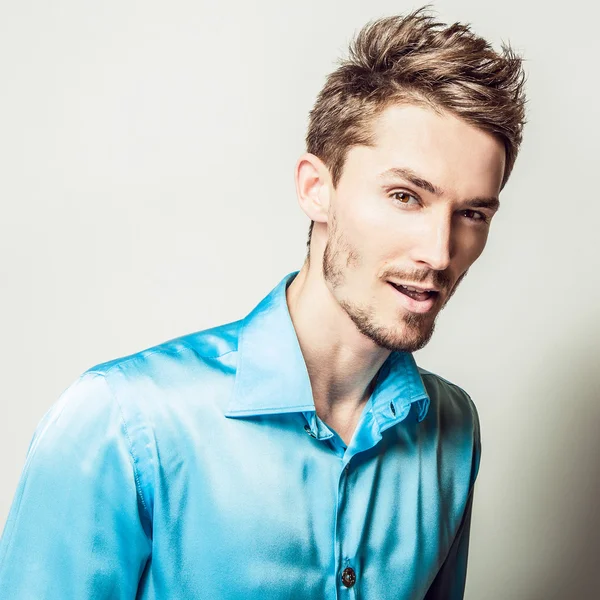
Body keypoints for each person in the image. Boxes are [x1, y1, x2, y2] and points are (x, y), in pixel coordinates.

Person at [0, 6, 526, 599]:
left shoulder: (452, 428)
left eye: (472, 214)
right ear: (316, 189)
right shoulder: (123, 422)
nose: (438, 251)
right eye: (405, 196)